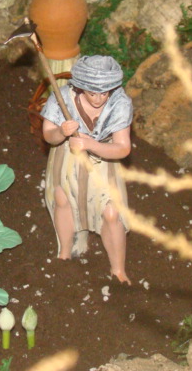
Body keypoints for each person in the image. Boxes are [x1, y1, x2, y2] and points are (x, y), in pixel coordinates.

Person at [41, 55, 133, 284]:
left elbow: (122, 148)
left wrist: (91, 145)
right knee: (63, 200)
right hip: (67, 159)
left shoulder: (120, 103)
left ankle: (118, 269)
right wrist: (61, 132)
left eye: (105, 93)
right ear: (81, 87)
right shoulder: (62, 97)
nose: (99, 98)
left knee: (111, 213)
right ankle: (65, 251)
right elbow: (48, 136)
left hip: (103, 164)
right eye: (93, 93)